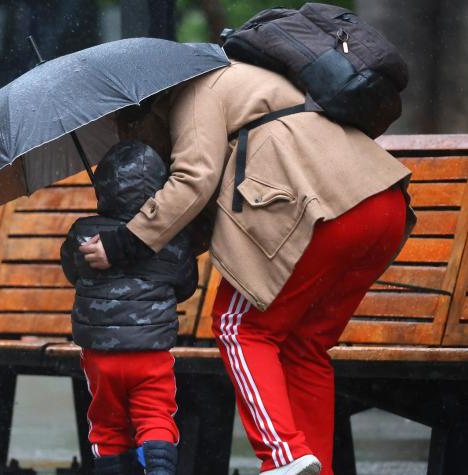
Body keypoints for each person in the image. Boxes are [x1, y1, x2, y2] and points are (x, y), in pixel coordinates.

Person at [79, 61, 415, 475]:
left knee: (239, 326)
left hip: (320, 211)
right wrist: (164, 256)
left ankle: (282, 457)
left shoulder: (193, 90)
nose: (145, 152)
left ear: (146, 110)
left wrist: (124, 242)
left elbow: (193, 179)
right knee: (302, 346)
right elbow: (202, 206)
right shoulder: (241, 82)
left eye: (133, 134)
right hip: (379, 203)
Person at [60, 138, 197, 475]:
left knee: (107, 426)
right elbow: (185, 285)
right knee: (155, 418)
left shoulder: (83, 233)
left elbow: (71, 271)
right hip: (150, 354)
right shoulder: (168, 237)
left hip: (100, 357)